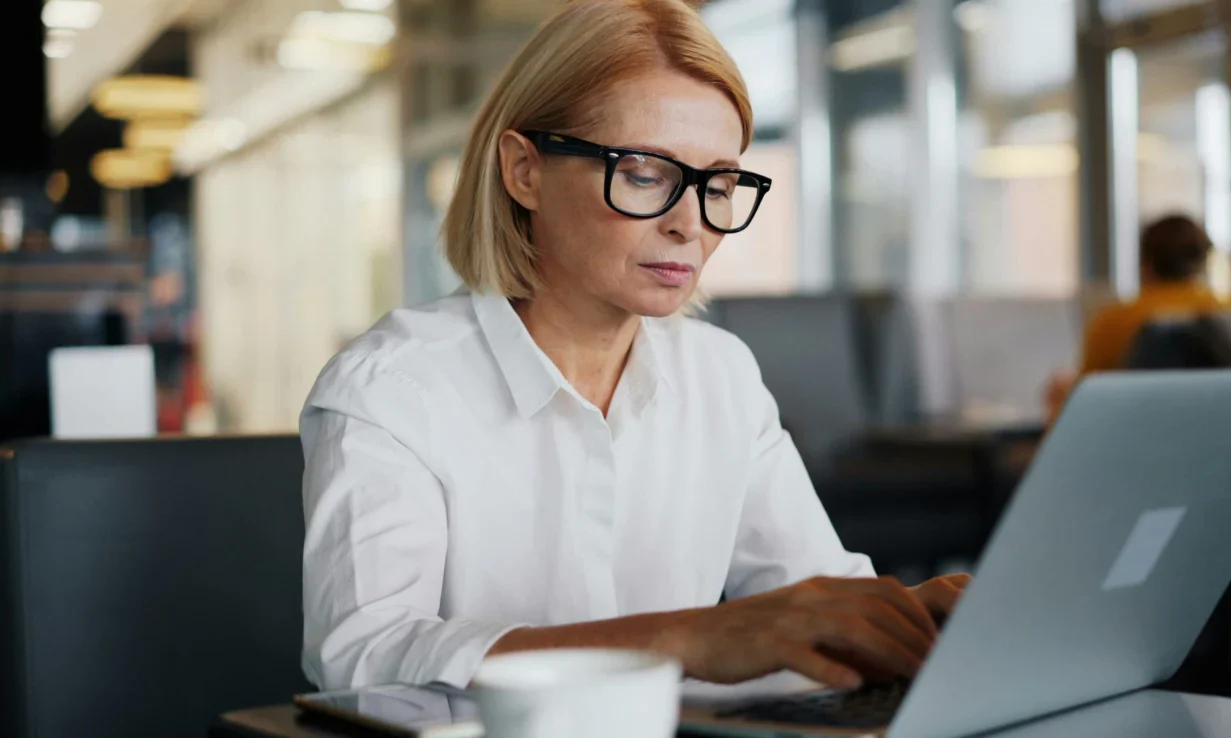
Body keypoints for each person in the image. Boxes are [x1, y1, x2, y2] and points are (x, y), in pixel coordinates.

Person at [300, 0, 968, 694]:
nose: (690, 225)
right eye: (647, 174)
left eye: (719, 183)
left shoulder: (720, 373)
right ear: (524, 170)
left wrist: (909, 622)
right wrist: (684, 639)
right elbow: (364, 657)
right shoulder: (392, 387)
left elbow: (813, 604)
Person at [1043, 214, 1231, 421]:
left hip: (1138, 436)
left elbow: (1088, 398)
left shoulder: (1114, 320)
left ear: (1146, 263)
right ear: (1202, 261)